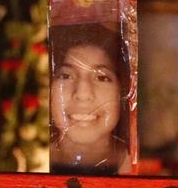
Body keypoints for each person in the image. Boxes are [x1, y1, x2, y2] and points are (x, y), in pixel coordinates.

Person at [49, 22, 131, 175]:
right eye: (66, 76)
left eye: (101, 77)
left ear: (123, 92)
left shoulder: (142, 169)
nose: (83, 94)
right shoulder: (23, 164)